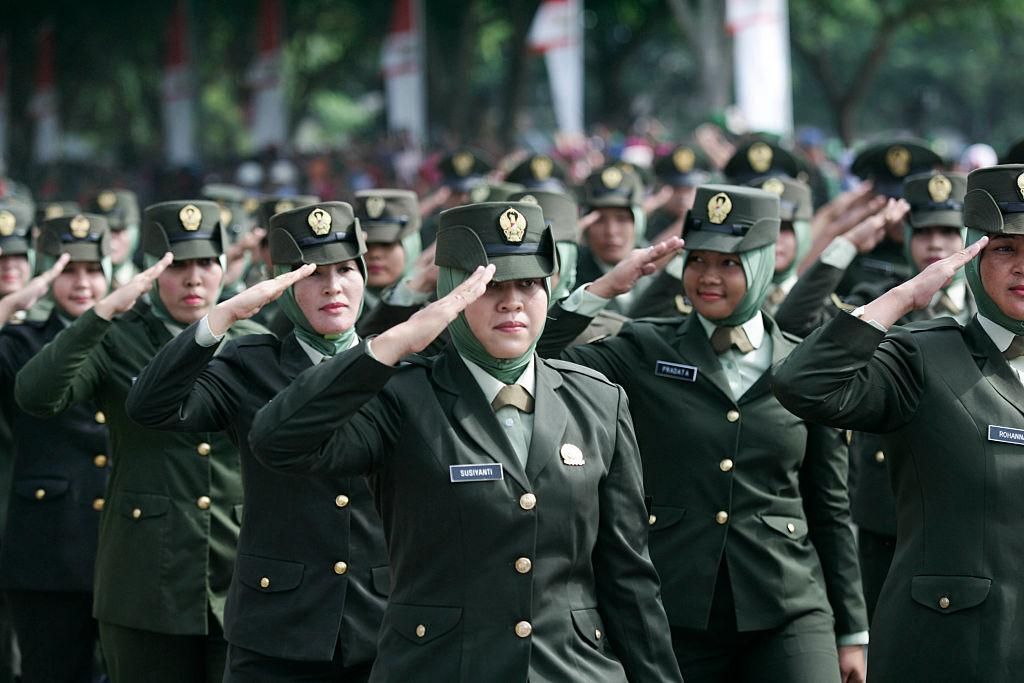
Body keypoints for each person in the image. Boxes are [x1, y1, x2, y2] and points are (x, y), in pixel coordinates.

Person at [248, 201, 683, 682]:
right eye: (491, 286)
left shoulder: (597, 401)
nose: (512, 302)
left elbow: (629, 580)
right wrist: (394, 342)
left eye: (529, 283)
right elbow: (278, 442)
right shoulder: (403, 398)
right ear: (453, 292)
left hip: (571, 670)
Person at [537, 185, 868, 683]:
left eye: (730, 264)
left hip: (787, 605)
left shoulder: (801, 363)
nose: (708, 278)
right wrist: (604, 289)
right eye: (698, 261)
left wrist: (852, 632)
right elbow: (536, 358)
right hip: (673, 604)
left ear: (760, 265)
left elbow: (828, 505)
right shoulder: (644, 347)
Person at [771, 163, 1024, 681]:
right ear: (973, 255)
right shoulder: (923, 357)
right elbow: (803, 383)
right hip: (948, 650)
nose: (1023, 267)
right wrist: (907, 296)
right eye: (1004, 249)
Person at [125, 202, 388, 681]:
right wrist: (219, 318)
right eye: (310, 274)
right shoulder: (251, 362)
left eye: (346, 269)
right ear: (282, 285)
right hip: (276, 629)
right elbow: (150, 407)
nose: (332, 287)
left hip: (380, 625)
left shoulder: (390, 364)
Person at [15, 200, 266, 682]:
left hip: (237, 573)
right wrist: (102, 312)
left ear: (222, 267)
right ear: (152, 271)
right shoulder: (117, 338)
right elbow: (37, 396)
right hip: (144, 577)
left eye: (205, 263)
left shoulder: (251, 340)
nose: (193, 279)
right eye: (177, 265)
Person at [0, 214, 111, 682]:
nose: (81, 284)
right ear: (47, 274)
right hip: (48, 551)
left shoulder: (127, 336)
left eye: (92, 270)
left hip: (122, 552)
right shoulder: (20, 341)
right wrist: (15, 302)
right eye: (68, 270)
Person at [576, 165, 648, 314]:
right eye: (600, 220)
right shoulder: (569, 279)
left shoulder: (655, 275)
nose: (611, 232)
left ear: (639, 223)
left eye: (622, 219)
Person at [352, 189, 422, 314]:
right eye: (365, 244)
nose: (374, 254)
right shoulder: (340, 309)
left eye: (386, 244)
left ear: (411, 245)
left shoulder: (435, 304)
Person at [87, 189, 141, 289]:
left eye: (118, 231)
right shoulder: (82, 289)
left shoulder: (150, 292)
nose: (109, 239)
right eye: (101, 232)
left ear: (135, 234)